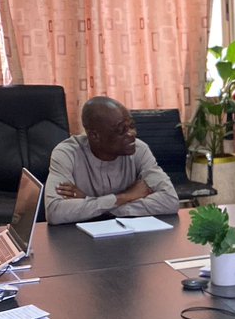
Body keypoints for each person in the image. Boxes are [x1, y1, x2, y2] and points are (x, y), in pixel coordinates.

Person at [44, 96, 179, 224]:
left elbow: (170, 201)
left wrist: (91, 203)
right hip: (79, 240)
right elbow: (55, 212)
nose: (132, 134)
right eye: (121, 130)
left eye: (132, 126)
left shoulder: (140, 149)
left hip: (131, 239)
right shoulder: (67, 153)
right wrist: (125, 197)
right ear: (94, 136)